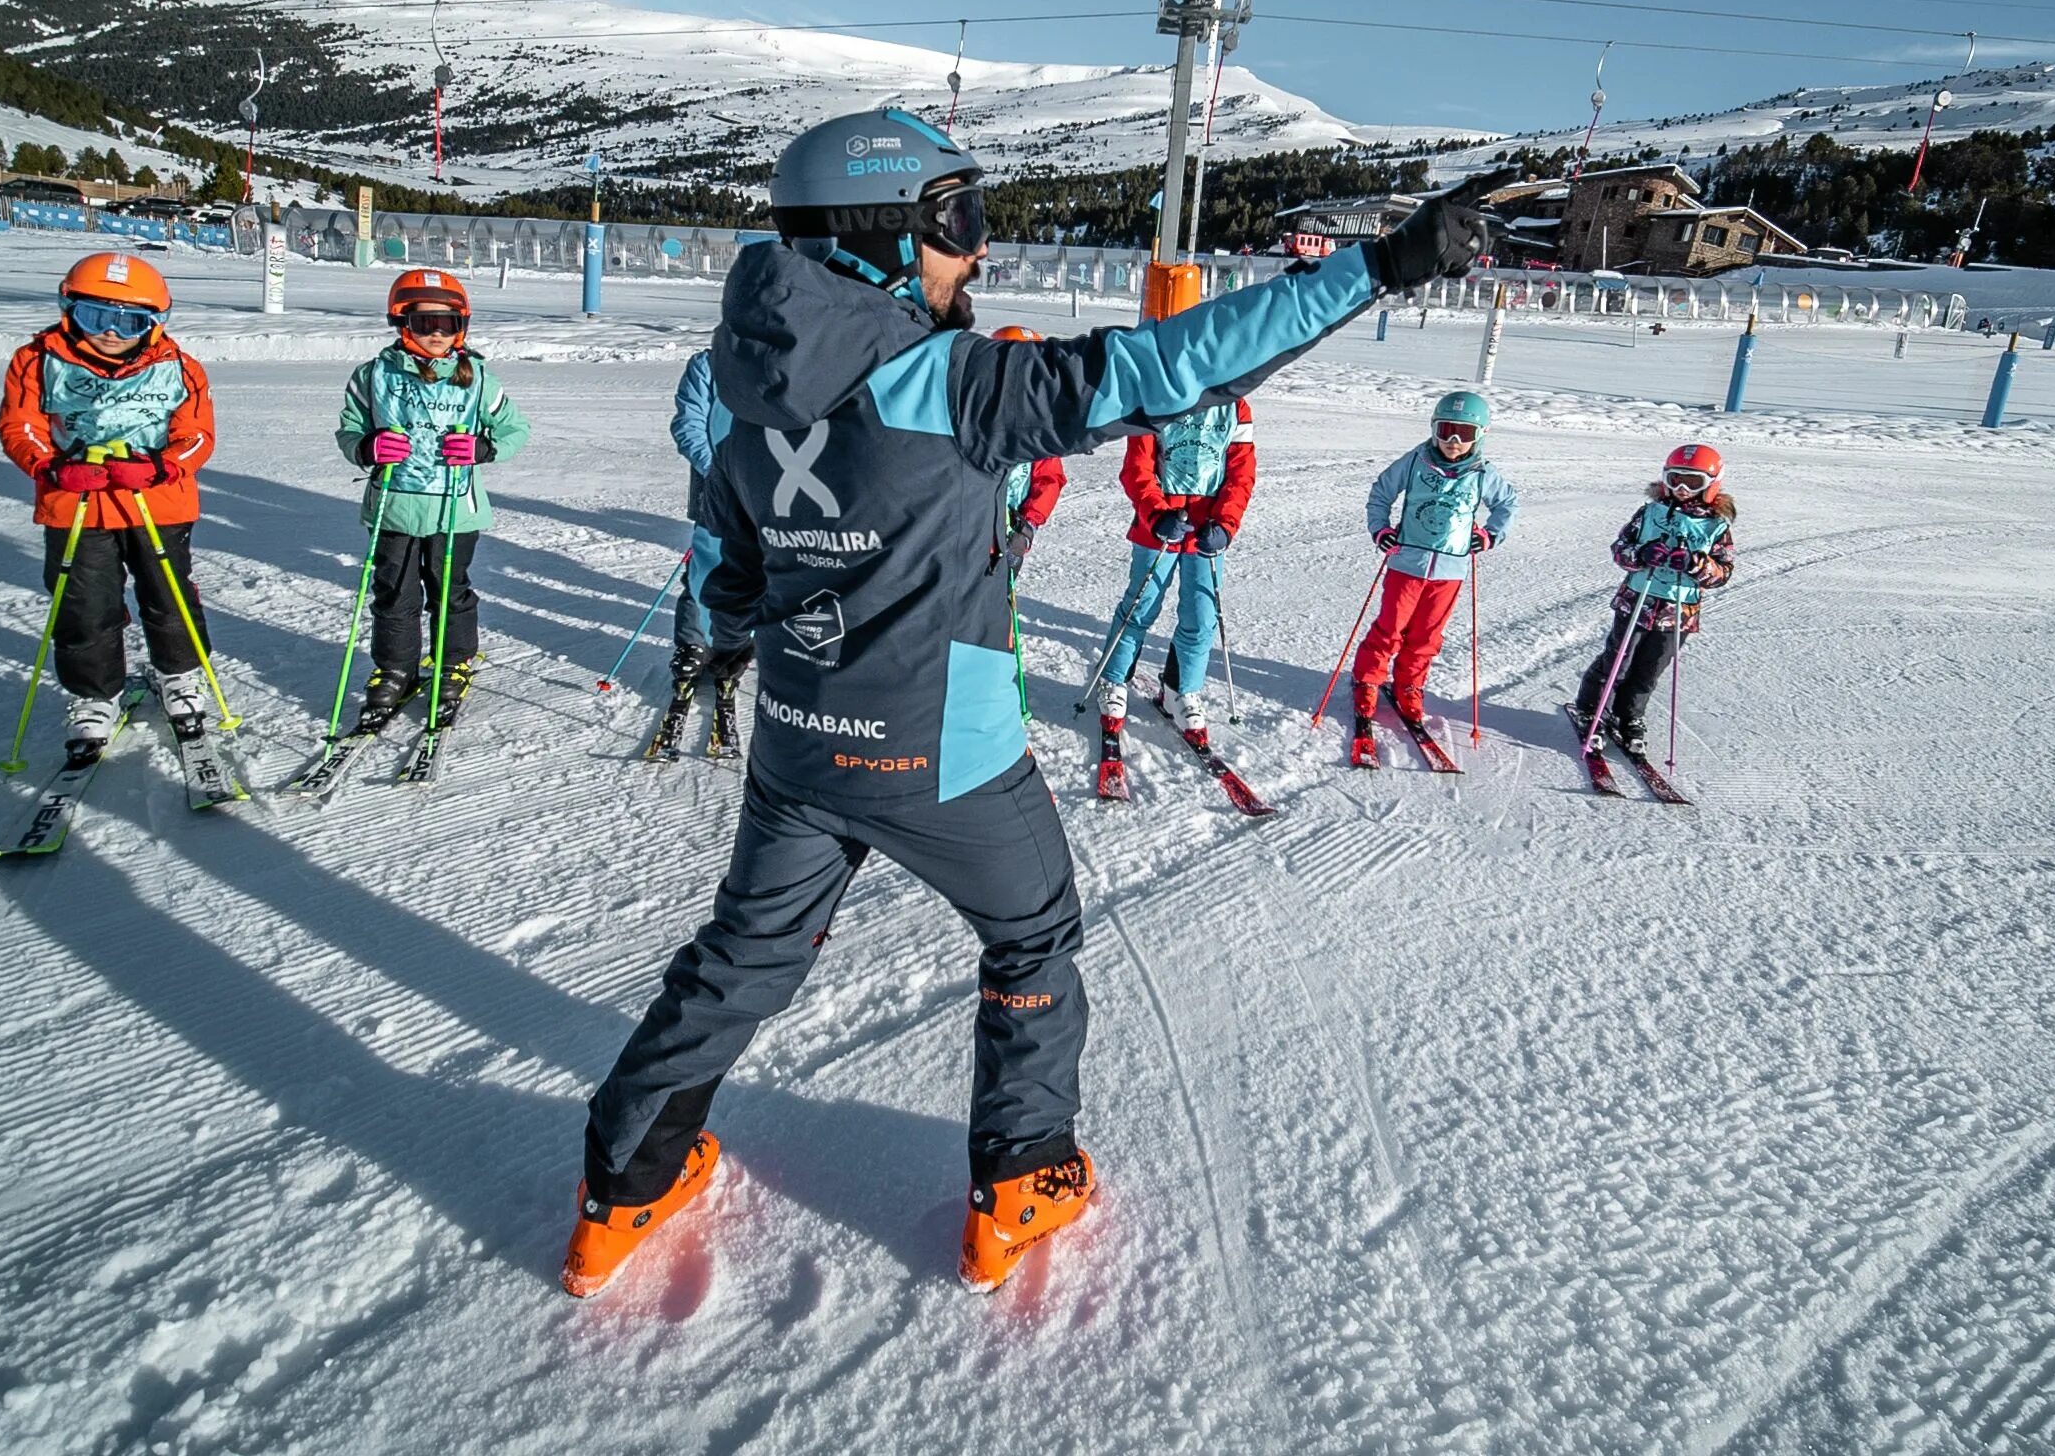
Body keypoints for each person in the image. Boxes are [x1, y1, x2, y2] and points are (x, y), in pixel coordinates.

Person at [564, 108, 1502, 1299]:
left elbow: (731, 580)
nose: (977, 252)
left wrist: (795, 607)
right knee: (1031, 934)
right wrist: (1378, 265)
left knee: (743, 956)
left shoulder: (740, 394)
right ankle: (1021, 1179)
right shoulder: (944, 379)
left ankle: (622, 1186)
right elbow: (1171, 366)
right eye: (958, 221)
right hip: (941, 751)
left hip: (800, 747)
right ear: (880, 239)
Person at [0, 252, 221, 755]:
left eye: (131, 321)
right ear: (69, 308)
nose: (113, 333)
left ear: (154, 324)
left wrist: (162, 466)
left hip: (157, 502)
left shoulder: (178, 368)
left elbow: (196, 435)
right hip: (77, 505)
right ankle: (95, 694)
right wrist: (51, 467)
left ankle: (181, 674)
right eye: (97, 316)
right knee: (83, 605)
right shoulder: (37, 360)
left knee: (169, 596)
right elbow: (21, 426)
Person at [334, 270, 530, 730]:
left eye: (447, 322)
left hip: (454, 508)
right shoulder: (373, 375)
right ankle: (396, 666)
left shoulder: (477, 376)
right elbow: (349, 428)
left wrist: (485, 448)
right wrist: (368, 448)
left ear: (461, 325)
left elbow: (515, 428)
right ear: (402, 324)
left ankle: (453, 660)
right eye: (425, 324)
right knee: (395, 592)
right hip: (395, 506)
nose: (437, 333)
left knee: (449, 588)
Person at [1350, 389, 1516, 757]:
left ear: (1480, 435)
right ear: (1433, 429)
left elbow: (1507, 503)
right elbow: (1381, 491)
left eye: (1464, 434)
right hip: (1406, 562)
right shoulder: (1415, 462)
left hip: (1450, 569)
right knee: (1390, 627)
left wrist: (1490, 536)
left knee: (1427, 633)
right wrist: (1380, 528)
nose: (1453, 442)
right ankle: (1368, 680)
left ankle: (1409, 684)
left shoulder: (1483, 474)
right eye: (1445, 430)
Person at [1093, 389, 1254, 747]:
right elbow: (1136, 468)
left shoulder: (1236, 407)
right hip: (1162, 524)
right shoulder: (1155, 398)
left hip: (1206, 530)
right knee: (1140, 605)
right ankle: (1114, 679)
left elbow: (1241, 474)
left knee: (1201, 613)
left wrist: (1226, 525)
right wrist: (1156, 514)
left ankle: (1180, 690)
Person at [1573, 443, 1736, 760]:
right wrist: (1641, 555)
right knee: (1617, 660)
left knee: (1649, 669)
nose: (1682, 489)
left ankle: (1629, 715)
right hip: (1637, 600)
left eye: (1693, 482)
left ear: (1711, 485)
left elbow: (1723, 572)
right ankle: (1592, 711)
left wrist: (1697, 565)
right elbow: (1620, 548)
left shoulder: (1717, 526)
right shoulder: (1650, 512)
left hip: (1678, 611)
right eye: (1675, 479)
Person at [666, 347, 750, 754]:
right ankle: (692, 643)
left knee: (756, 574)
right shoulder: (709, 364)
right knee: (706, 570)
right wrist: (717, 472)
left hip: (768, 492)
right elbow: (688, 424)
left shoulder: (785, 361)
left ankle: (734, 646)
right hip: (716, 489)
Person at [990, 326, 1065, 574]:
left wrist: (1028, 525)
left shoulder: (1039, 422)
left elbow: (1049, 478)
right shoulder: (973, 410)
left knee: (998, 607)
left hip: (1010, 536)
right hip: (966, 537)